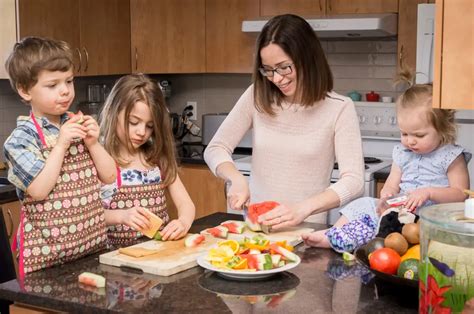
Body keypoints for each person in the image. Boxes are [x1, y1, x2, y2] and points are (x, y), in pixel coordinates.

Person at [204, 14, 365, 225]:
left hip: (307, 231)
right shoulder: (256, 96)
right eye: (268, 70)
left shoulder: (339, 108)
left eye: (283, 67)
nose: (277, 79)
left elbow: (354, 181)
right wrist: (236, 178)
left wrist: (303, 209)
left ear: (308, 58)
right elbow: (215, 148)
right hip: (257, 228)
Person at [303, 75, 471, 252]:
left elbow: (460, 194)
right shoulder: (402, 153)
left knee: (384, 230)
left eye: (419, 135)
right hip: (401, 211)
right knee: (364, 204)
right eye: (404, 134)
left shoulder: (451, 156)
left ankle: (354, 238)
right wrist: (387, 195)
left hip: (431, 219)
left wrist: (429, 192)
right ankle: (333, 234)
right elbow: (392, 183)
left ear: (443, 129)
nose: (410, 141)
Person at [3, 36, 116, 276]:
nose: (65, 91)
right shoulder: (21, 139)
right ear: (25, 91)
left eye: (69, 81)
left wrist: (94, 143)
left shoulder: (78, 124)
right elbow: (40, 190)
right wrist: (62, 144)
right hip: (46, 259)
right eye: (52, 85)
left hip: (91, 247)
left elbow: (109, 176)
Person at [100, 74, 195, 247]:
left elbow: (185, 203)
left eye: (150, 126)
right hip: (116, 256)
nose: (141, 132)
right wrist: (122, 216)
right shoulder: (101, 159)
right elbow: (90, 216)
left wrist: (183, 222)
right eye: (133, 122)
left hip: (159, 252)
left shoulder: (157, 158)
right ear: (114, 113)